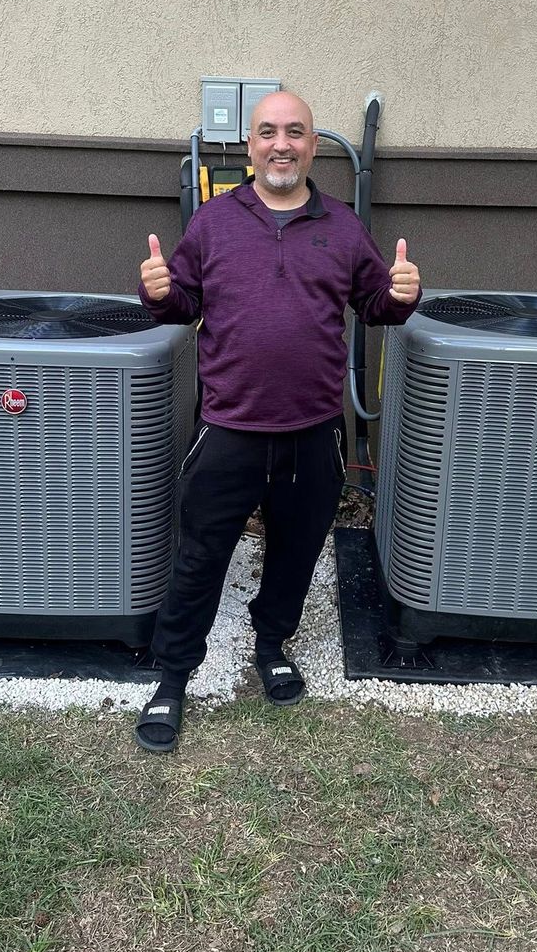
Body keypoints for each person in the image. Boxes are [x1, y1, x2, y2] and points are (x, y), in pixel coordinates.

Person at [134, 91, 421, 751]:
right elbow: (180, 300)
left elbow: (377, 303)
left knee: (294, 554)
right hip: (229, 428)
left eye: (295, 132)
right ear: (251, 147)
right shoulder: (214, 222)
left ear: (313, 145)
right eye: (268, 132)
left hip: (313, 432)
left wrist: (402, 296)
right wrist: (157, 293)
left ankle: (271, 643)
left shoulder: (343, 227)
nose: (281, 143)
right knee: (200, 555)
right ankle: (172, 677)